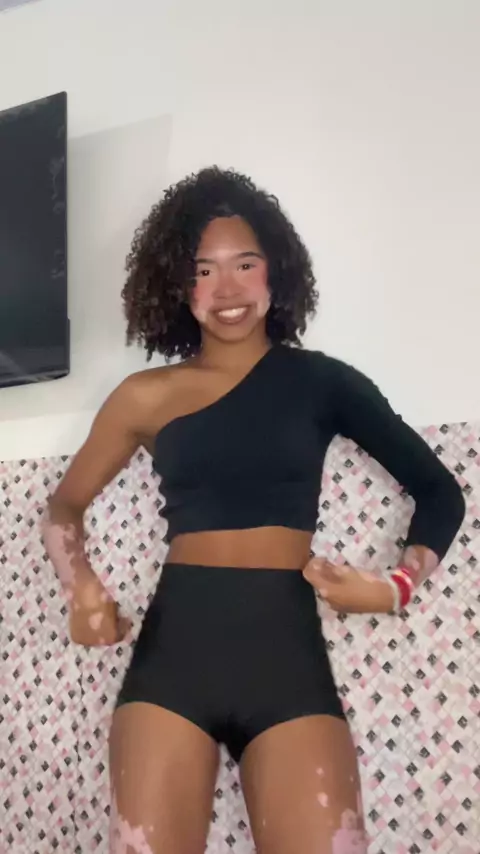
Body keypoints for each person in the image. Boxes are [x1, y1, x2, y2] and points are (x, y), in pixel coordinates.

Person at [42, 167, 465, 854]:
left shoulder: (324, 382)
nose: (227, 289)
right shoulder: (144, 396)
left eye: (245, 264)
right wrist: (80, 588)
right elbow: (64, 506)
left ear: (277, 271)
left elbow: (441, 492)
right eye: (203, 271)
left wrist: (394, 588)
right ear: (178, 286)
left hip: (285, 657)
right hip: (174, 658)